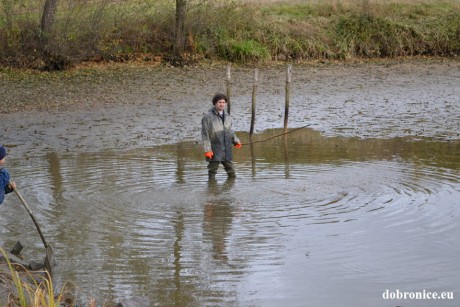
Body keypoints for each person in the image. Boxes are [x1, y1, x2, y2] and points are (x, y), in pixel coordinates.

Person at [201, 93, 242, 180]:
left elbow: (230, 131)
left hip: (227, 149)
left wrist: (235, 141)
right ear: (215, 103)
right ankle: (211, 189)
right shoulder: (207, 117)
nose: (222, 104)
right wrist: (207, 150)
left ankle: (229, 192)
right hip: (214, 149)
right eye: (220, 102)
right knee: (212, 173)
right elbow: (205, 135)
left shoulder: (228, 116)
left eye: (224, 102)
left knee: (232, 172)